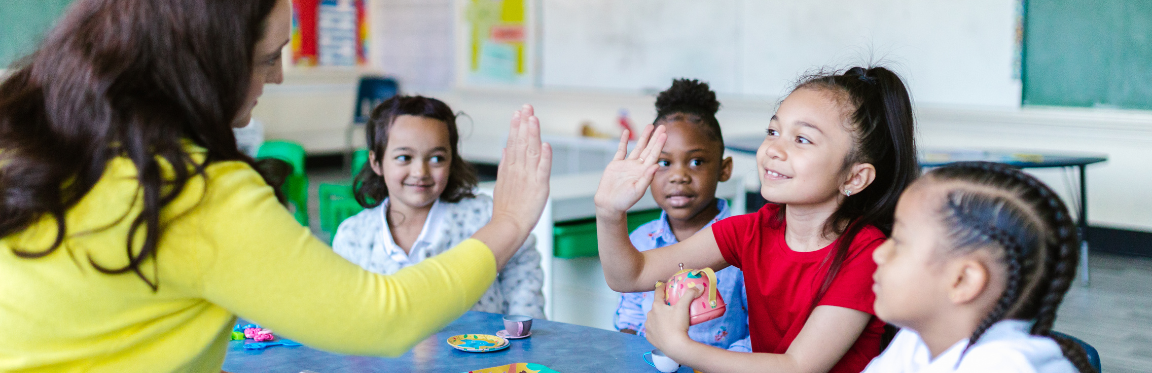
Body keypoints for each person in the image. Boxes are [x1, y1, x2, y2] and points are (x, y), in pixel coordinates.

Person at [0, 0, 553, 371]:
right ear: (201, 63)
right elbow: (384, 318)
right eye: (268, 57)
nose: (279, 76)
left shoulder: (29, 137)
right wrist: (507, 222)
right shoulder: (191, 192)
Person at [594, 66, 919, 373]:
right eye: (773, 131)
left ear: (855, 177)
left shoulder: (867, 254)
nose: (773, 149)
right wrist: (609, 212)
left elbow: (797, 367)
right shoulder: (750, 230)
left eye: (802, 139)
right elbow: (631, 275)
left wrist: (679, 346)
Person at [864, 161, 1095, 373]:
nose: (878, 253)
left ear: (963, 280)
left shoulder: (1005, 366)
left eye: (899, 241)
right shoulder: (915, 340)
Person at [333, 95, 544, 319]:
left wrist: (522, 336)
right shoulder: (353, 236)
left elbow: (523, 272)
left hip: (483, 353)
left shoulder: (487, 217)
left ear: (452, 160)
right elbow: (346, 316)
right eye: (404, 157)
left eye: (436, 159)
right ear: (376, 162)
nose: (420, 172)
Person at [613, 79, 750, 352]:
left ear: (724, 169)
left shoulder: (746, 245)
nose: (678, 176)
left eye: (696, 162)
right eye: (664, 163)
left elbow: (759, 335)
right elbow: (630, 318)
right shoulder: (641, 240)